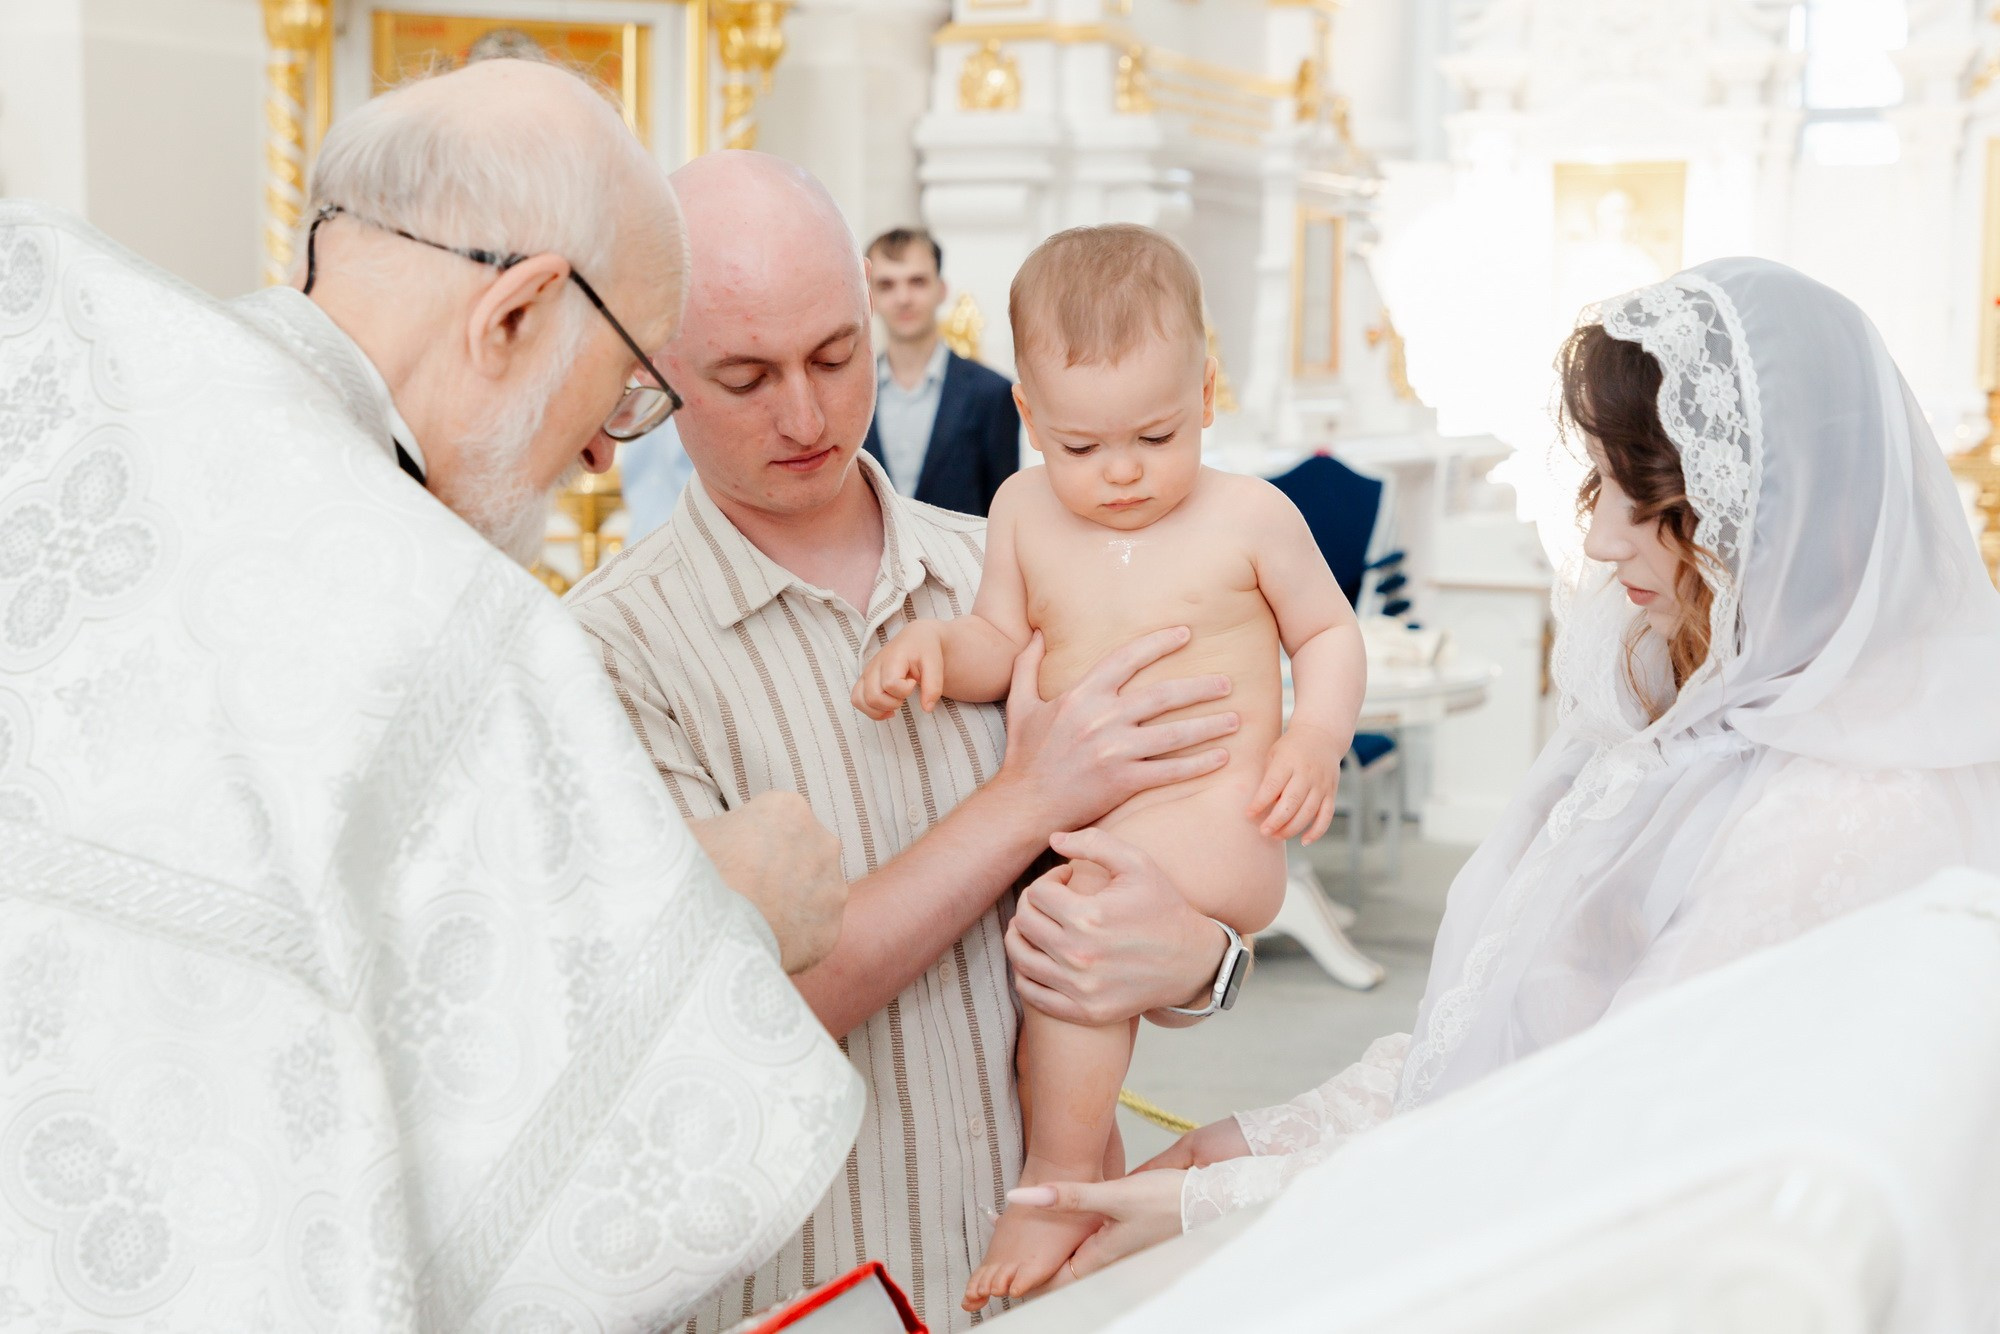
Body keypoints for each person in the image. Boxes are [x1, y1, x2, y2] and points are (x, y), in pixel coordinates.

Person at [0, 62, 861, 1331]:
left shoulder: (48, 333)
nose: (600, 454)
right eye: (623, 391)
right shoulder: (438, 617)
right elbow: (593, 1194)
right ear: (513, 314)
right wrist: (720, 910)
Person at [1006, 257, 2000, 1279]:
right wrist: (1265, 1137)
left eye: (1645, 499)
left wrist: (1221, 1201)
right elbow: (1497, 1031)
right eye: (1597, 486)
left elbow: (1605, 1142)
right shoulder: (1662, 698)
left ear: (1763, 511)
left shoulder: (1847, 807)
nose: (1601, 540)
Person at [565, 154, 1252, 1333]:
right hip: (814, 1294)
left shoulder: (1010, 567)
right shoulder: (603, 654)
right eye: (745, 377)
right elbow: (731, 1018)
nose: (805, 415)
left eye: (837, 357)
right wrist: (1024, 797)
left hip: (1067, 1283)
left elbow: (1167, 880)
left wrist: (1203, 958)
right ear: (651, 371)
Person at [851, 224, 1365, 1308]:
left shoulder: (1249, 514)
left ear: (1206, 393)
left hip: (1219, 815)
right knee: (1052, 956)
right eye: (1080, 447)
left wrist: (1314, 738)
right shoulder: (1020, 510)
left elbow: (1327, 631)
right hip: (1097, 828)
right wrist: (935, 648)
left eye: (1155, 434)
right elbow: (998, 641)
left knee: (1073, 931)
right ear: (1029, 417)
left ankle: (1057, 1180)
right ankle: (1084, 1161)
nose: (1121, 471)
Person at [862, 227, 1021, 515]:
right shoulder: (852, 390)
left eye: (917, 282)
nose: (903, 298)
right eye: (886, 285)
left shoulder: (991, 393)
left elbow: (1005, 511)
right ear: (868, 295)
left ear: (941, 289)